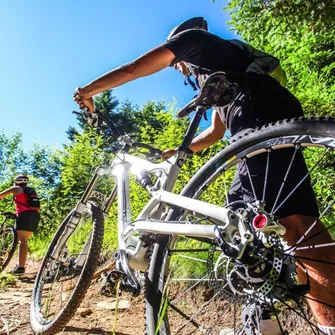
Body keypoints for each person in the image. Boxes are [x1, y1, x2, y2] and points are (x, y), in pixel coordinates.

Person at [74, 17, 335, 333]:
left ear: (179, 45)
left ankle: (266, 321)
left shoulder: (194, 40)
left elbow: (132, 69)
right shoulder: (221, 71)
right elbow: (213, 133)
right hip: (267, 114)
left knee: (263, 221)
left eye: (176, 61)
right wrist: (173, 152)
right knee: (284, 224)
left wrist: (88, 91)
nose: (176, 68)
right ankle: (311, 322)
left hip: (255, 114)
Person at [0, 175, 40, 274]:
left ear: (16, 182)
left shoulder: (16, 189)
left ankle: (21, 268)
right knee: (21, 240)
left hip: (24, 215)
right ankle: (8, 261)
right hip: (35, 216)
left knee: (22, 240)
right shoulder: (31, 191)